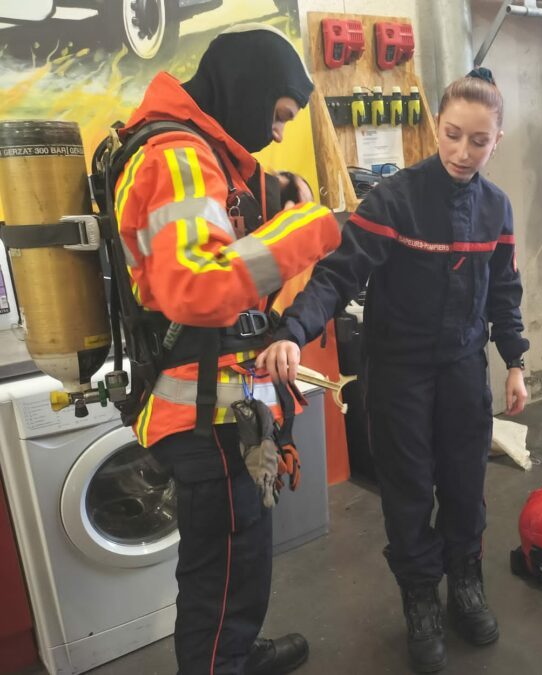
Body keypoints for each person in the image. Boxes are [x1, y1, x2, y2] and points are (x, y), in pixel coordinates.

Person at [258, 69, 529, 673]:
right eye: (453, 135)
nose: (462, 152)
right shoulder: (394, 200)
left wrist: (514, 362)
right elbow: (336, 275)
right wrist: (293, 333)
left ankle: (465, 586)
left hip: (463, 369)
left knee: (464, 486)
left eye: (478, 141)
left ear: (498, 140)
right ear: (438, 125)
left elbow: (503, 292)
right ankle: (419, 603)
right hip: (399, 373)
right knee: (408, 494)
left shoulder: (496, 209)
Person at [113, 25, 342, 674]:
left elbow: (218, 219)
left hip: (217, 405)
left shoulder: (192, 152)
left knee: (241, 554)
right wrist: (316, 225)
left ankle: (236, 652)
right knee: (220, 574)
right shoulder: (178, 157)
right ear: (241, 89)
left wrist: (281, 193)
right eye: (276, 115)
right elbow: (200, 285)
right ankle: (221, 661)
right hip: (202, 413)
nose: (276, 133)